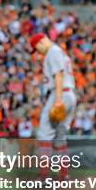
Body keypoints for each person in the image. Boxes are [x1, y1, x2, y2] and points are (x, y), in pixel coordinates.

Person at [30, 33, 77, 180]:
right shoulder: (60, 52)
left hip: (60, 94)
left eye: (36, 49)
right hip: (69, 94)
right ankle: (63, 175)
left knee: (44, 133)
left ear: (40, 43)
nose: (38, 52)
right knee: (60, 137)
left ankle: (43, 176)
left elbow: (58, 75)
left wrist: (57, 99)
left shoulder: (53, 52)